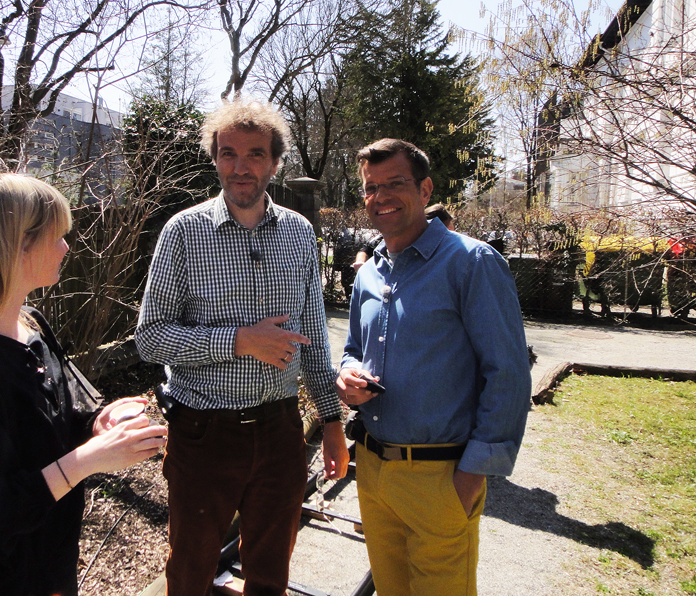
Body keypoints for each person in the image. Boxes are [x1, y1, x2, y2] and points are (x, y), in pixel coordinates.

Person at [0, 171, 167, 596]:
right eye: (56, 235)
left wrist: (102, 420)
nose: (67, 247)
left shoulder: (32, 327)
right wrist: (83, 463)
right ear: (15, 245)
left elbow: (67, 410)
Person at [135, 99, 348, 596]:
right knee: (190, 570)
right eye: (228, 153)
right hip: (204, 434)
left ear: (275, 162)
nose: (240, 166)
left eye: (255, 154)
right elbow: (149, 337)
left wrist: (333, 422)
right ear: (215, 159)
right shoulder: (184, 233)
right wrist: (238, 341)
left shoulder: (298, 235)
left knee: (271, 573)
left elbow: (313, 338)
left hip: (279, 432)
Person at [336, 139, 531, 596]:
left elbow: (507, 372)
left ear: (425, 190)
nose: (380, 196)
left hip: (440, 477)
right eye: (370, 188)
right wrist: (346, 376)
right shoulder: (369, 274)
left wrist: (471, 476)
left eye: (395, 184)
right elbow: (352, 350)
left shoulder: (471, 262)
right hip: (373, 470)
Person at [353, 203, 454, 272]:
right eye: (446, 228)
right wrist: (360, 262)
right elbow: (367, 248)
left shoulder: (451, 249)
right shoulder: (402, 235)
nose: (447, 233)